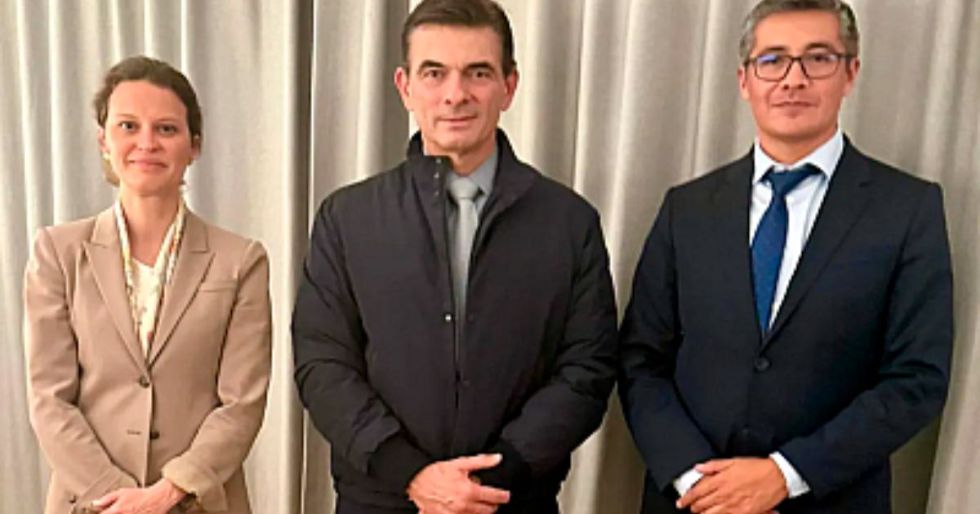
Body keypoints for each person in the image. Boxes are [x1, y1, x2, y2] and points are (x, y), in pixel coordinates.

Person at [618, 1, 953, 513]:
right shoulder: (686, 208)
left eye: (817, 58)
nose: (793, 79)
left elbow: (917, 379)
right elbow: (640, 361)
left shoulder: (907, 209)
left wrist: (785, 475)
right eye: (772, 60)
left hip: (832, 499)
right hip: (692, 502)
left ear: (850, 73)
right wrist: (698, 483)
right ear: (744, 80)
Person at [291, 1, 618, 513]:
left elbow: (587, 368)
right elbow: (322, 362)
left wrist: (489, 478)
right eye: (434, 73)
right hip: (381, 500)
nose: (455, 94)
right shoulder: (347, 218)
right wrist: (412, 474)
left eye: (478, 73)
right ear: (404, 86)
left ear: (509, 86)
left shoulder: (569, 223)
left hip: (513, 501)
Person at [23, 56, 272, 514]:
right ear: (104, 141)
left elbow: (242, 403)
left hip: (197, 503)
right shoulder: (57, 253)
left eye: (166, 129)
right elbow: (49, 399)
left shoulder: (241, 260)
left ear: (194, 146)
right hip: (89, 504)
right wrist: (116, 497)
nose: (146, 143)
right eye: (128, 126)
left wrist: (166, 494)